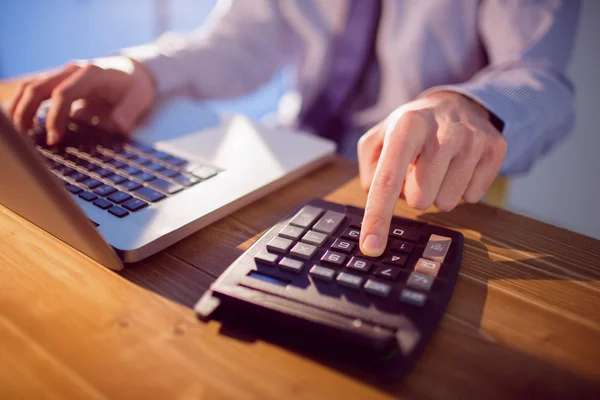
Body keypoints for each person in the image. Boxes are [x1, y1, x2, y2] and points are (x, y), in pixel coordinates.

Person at [6, 0, 580, 258]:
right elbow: (236, 42)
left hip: (437, 179)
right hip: (296, 149)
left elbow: (543, 78)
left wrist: (468, 103)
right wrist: (141, 68)